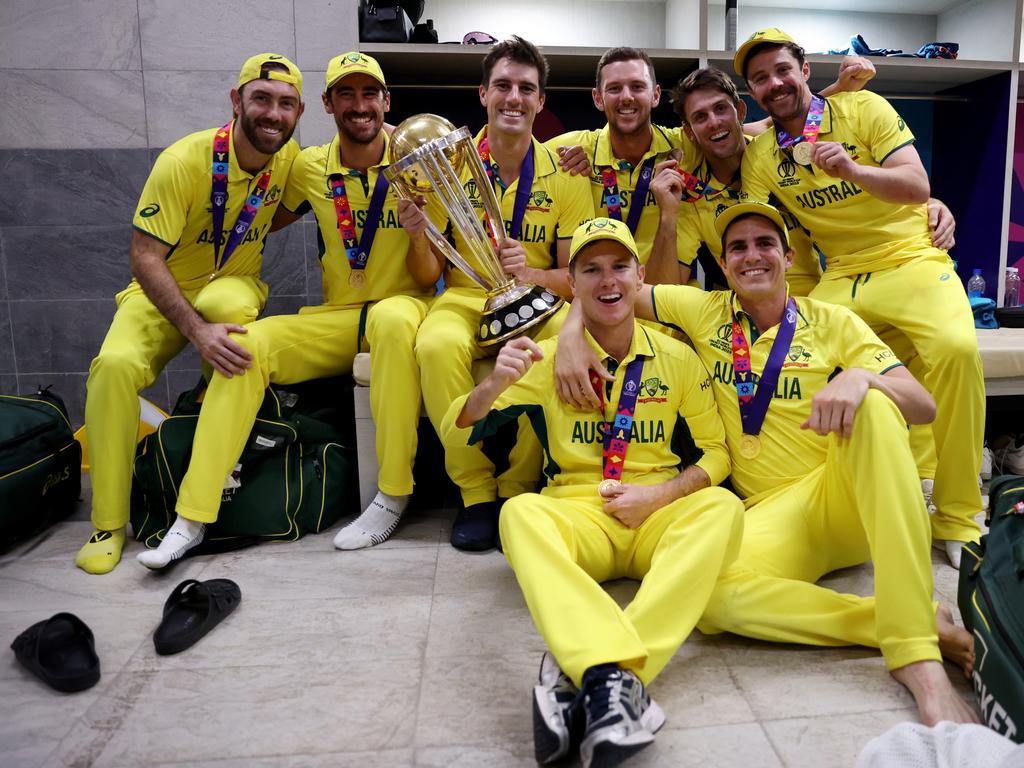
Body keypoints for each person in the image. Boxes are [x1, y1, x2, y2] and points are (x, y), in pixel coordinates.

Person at [555, 202, 978, 727]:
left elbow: (923, 405)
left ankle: (916, 655)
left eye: (764, 244)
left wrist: (865, 379)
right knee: (711, 600)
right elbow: (609, 291)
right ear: (725, 264)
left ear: (788, 255)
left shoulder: (832, 320)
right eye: (737, 248)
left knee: (873, 405)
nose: (751, 255)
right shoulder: (702, 310)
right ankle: (898, 619)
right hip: (771, 513)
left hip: (840, 495)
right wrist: (570, 336)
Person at [446, 217, 743, 767]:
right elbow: (456, 428)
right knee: (518, 515)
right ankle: (614, 683)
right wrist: (492, 383)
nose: (607, 281)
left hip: (655, 514)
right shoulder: (541, 359)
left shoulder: (677, 357)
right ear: (573, 286)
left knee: (722, 506)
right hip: (579, 515)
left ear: (637, 277)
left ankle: (587, 673)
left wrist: (657, 497)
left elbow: (718, 454)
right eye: (591, 270)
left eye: (619, 266)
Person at [132, 52, 444, 568]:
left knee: (391, 319)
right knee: (244, 348)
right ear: (326, 104)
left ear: (387, 102)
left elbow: (429, 277)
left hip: (404, 308)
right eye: (346, 94)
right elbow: (259, 216)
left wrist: (418, 233)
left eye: (371, 94)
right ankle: (192, 517)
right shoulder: (308, 166)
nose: (360, 105)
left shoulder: (415, 163)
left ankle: (391, 495)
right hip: (340, 319)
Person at [734, 27, 984, 567]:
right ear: (752, 90)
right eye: (760, 78)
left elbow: (917, 187)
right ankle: (834, 501)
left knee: (957, 351)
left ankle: (960, 515)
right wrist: (789, 315)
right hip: (841, 274)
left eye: (782, 70)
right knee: (800, 362)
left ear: (804, 69)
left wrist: (851, 169)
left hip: (911, 256)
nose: (774, 84)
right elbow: (782, 242)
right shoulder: (760, 157)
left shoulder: (865, 107)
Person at [75, 53, 304, 575]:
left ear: (299, 112)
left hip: (231, 289)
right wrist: (193, 329)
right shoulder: (184, 161)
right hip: (162, 290)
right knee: (112, 369)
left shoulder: (291, 161)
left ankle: (216, 450)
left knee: (227, 307)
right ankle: (108, 522)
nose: (273, 113)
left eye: (286, 103)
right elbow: (144, 255)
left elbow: (302, 203)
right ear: (236, 101)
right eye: (262, 99)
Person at [404, 36, 594, 551]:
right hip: (465, 294)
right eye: (503, 86)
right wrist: (419, 234)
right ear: (483, 94)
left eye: (526, 89)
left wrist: (530, 274)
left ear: (541, 101)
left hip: (536, 300)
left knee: (560, 345)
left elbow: (572, 276)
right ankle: (474, 491)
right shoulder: (449, 165)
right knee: (436, 345)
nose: (514, 97)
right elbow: (428, 277)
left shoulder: (564, 172)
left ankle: (516, 484)